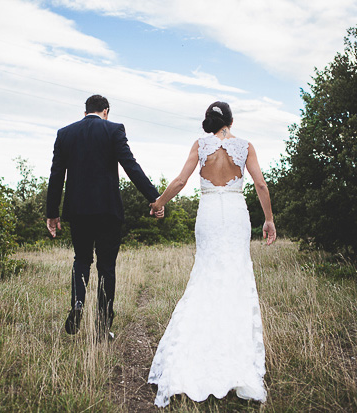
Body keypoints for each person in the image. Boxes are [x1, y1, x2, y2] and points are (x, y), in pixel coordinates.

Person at [147, 101, 276, 407]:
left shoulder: (200, 145)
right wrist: (269, 219)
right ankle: (234, 359)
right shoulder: (245, 146)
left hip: (208, 214)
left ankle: (190, 355)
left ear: (209, 121)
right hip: (234, 215)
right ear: (231, 120)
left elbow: (180, 181)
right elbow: (259, 183)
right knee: (235, 277)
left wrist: (158, 202)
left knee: (204, 277)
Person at [46, 94, 164, 340]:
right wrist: (154, 198)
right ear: (106, 111)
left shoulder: (65, 134)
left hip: (77, 211)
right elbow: (131, 166)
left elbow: (56, 175)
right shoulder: (113, 130)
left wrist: (52, 213)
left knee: (81, 260)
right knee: (106, 267)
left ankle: (78, 302)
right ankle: (102, 326)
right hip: (108, 211)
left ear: (85, 111)